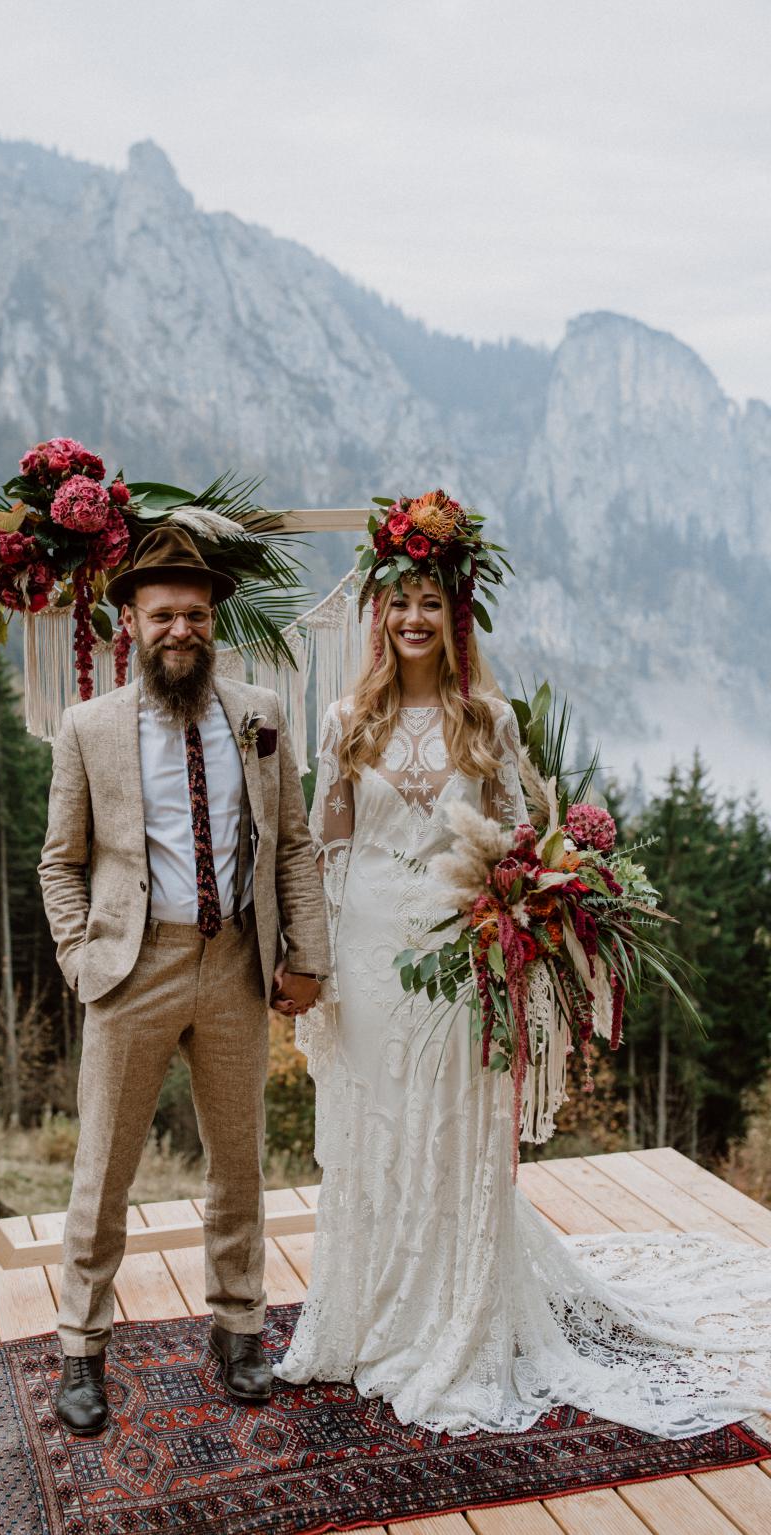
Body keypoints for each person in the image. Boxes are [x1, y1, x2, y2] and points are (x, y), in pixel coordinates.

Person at [276, 493, 771, 1438]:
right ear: (378, 613)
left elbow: (515, 841)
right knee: (375, 1129)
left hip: (459, 954)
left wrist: (534, 912)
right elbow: (327, 850)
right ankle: (369, 1310)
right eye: (399, 600)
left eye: (430, 600)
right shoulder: (344, 720)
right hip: (371, 955)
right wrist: (317, 966)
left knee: (453, 1130)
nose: (413, 616)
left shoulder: (488, 719)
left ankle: (454, 1316)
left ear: (454, 615)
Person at [38, 523, 329, 1435]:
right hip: (133, 970)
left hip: (238, 963)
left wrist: (307, 956)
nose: (180, 629)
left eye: (196, 614)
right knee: (105, 1168)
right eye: (163, 613)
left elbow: (292, 844)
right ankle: (82, 1346)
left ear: (214, 622)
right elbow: (59, 860)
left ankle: (240, 1329)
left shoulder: (260, 710)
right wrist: (81, 958)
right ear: (131, 621)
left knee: (239, 1162)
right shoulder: (88, 728)